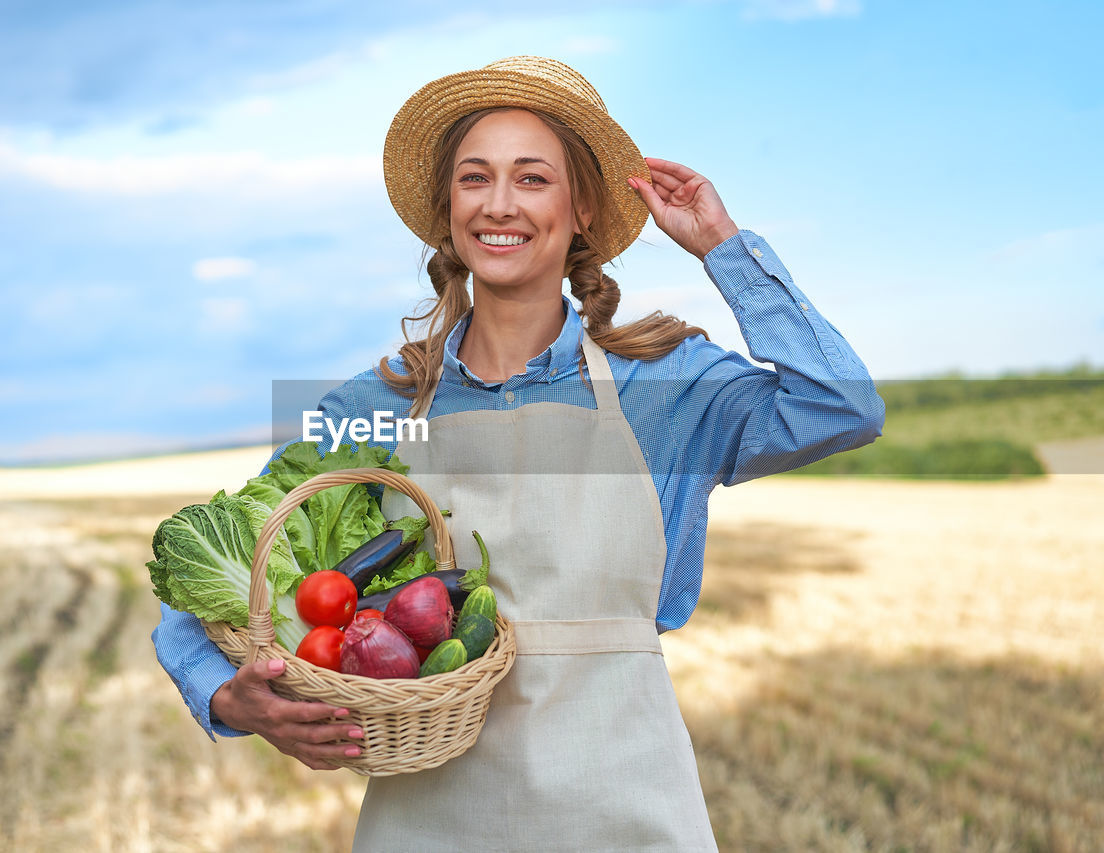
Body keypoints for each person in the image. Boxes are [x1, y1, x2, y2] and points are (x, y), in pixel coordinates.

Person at [152, 56, 884, 850]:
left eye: (532, 179)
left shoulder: (666, 386)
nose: (499, 204)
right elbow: (230, 552)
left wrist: (725, 249)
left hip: (627, 814)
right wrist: (227, 695)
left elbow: (841, 406)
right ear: (447, 210)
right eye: (475, 178)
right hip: (429, 822)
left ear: (582, 211)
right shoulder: (377, 407)